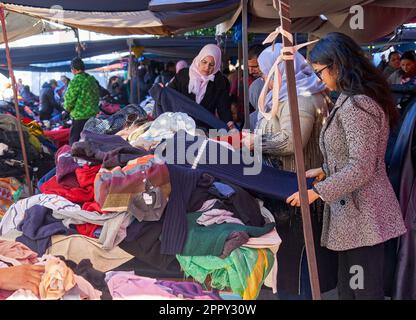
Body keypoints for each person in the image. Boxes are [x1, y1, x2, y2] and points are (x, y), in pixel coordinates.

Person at [287, 32, 407, 300]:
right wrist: (325, 170)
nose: (320, 79)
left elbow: (362, 167)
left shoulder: (357, 103)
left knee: (361, 293)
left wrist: (318, 191)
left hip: (364, 215)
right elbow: (358, 157)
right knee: (350, 291)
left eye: (320, 72)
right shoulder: (351, 98)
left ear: (338, 65)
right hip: (356, 216)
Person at [243, 43, 336, 300]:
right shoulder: (294, 93)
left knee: (297, 259)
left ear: (280, 71)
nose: (263, 78)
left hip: (296, 188)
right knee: (298, 258)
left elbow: (291, 141)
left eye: (265, 72)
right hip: (292, 186)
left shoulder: (301, 97)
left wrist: (255, 142)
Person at [168, 44, 234, 130]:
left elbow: (223, 107)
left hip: (205, 127)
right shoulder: (182, 75)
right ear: (199, 59)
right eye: (204, 62)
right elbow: (170, 95)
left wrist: (229, 122)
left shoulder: (219, 81)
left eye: (211, 64)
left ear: (217, 65)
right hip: (181, 126)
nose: (207, 67)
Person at [64, 57, 100, 145]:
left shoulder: (76, 80)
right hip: (92, 116)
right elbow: (97, 96)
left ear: (74, 69)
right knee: (90, 141)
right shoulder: (92, 80)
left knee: (74, 142)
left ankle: (74, 158)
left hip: (79, 117)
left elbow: (70, 99)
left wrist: (66, 109)